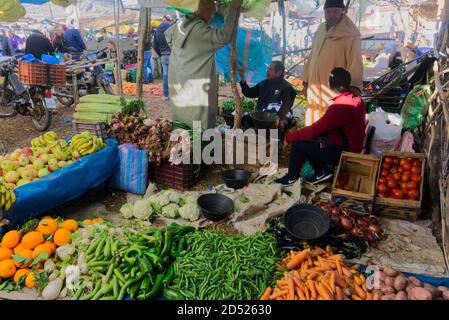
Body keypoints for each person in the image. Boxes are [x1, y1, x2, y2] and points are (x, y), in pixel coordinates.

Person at [275, 68, 366, 186]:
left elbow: (314, 130)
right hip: (348, 145)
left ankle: (291, 177)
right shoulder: (354, 98)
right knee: (313, 138)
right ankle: (321, 172)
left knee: (299, 144)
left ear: (330, 84)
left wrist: (290, 137)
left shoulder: (342, 105)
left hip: (346, 152)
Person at [164, 0, 242, 130]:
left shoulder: (180, 24)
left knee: (182, 113)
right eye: (212, 14)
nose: (212, 19)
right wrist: (233, 9)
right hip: (195, 81)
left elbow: (168, 37)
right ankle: (200, 146)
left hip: (179, 76)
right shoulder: (200, 29)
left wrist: (185, 55)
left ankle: (184, 140)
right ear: (205, 12)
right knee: (198, 118)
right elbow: (223, 37)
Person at [302, 0, 363, 126]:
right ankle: (312, 142)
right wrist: (306, 81)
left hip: (334, 88)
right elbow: (312, 55)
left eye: (335, 11)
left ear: (342, 11)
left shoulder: (351, 34)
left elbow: (355, 61)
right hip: (314, 84)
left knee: (329, 121)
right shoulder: (320, 29)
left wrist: (353, 87)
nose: (332, 15)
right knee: (314, 116)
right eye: (328, 12)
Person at [239, 61, 296, 130]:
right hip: (262, 117)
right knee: (245, 120)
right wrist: (242, 80)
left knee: (277, 128)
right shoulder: (264, 84)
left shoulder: (286, 88)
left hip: (278, 119)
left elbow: (286, 107)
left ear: (279, 73)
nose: (267, 71)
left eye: (270, 69)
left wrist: (281, 119)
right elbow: (250, 93)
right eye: (267, 68)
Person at [153, 15, 174, 99]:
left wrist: (160, 53)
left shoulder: (157, 31)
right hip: (173, 54)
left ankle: (166, 95)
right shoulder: (172, 28)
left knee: (165, 75)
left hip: (163, 55)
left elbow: (154, 45)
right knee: (175, 74)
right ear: (169, 20)